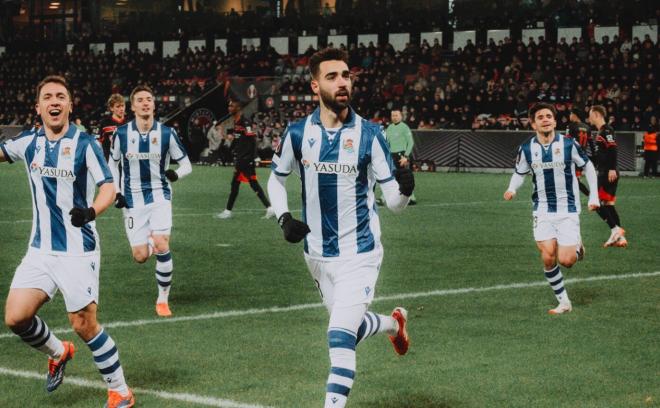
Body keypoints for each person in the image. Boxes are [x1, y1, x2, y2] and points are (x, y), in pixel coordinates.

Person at [267, 48, 415, 408]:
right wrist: (284, 217)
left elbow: (393, 203)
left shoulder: (371, 135)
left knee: (338, 336)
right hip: (316, 255)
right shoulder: (298, 133)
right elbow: (276, 179)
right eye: (332, 76)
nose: (342, 82)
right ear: (315, 85)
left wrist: (407, 189)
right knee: (351, 327)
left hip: (360, 253)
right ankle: (394, 325)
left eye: (346, 75)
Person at [0, 75, 134, 407]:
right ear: (39, 107)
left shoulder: (85, 143)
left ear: (70, 105)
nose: (55, 102)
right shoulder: (29, 143)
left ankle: (120, 391)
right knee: (16, 317)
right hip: (40, 250)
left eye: (61, 96)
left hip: (78, 250)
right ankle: (59, 353)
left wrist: (90, 212)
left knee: (83, 324)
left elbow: (108, 187)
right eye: (48, 97)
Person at [504, 102, 599, 315]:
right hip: (543, 209)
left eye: (549, 116)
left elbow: (588, 166)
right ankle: (564, 302)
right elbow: (519, 173)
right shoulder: (527, 148)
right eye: (540, 117)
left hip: (568, 209)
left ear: (555, 121)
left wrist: (594, 196)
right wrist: (512, 188)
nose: (545, 119)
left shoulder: (568, 144)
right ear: (533, 124)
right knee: (548, 256)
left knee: (566, 261)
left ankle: (576, 246)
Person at [109, 85, 192, 317]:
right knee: (141, 256)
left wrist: (176, 174)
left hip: (160, 196)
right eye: (140, 100)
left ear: (154, 105)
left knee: (161, 243)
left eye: (149, 99)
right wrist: (116, 192)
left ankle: (162, 300)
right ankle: (150, 237)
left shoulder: (167, 134)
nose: (145, 103)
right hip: (132, 201)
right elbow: (112, 165)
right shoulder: (121, 134)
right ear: (133, 106)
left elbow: (186, 164)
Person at [215, 100, 274, 219]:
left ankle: (228, 211)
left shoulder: (245, 122)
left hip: (246, 159)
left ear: (239, 107)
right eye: (229, 105)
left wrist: (253, 157)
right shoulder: (236, 122)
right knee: (250, 184)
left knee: (238, 184)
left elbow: (252, 140)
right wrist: (231, 150)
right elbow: (237, 139)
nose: (229, 107)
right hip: (242, 158)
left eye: (232, 105)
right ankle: (269, 208)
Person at [588, 105, 627, 248]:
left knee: (596, 203)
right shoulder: (600, 132)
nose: (589, 117)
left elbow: (613, 148)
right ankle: (620, 237)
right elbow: (601, 156)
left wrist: (611, 169)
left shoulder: (607, 130)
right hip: (604, 171)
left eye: (590, 114)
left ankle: (614, 230)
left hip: (607, 172)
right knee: (608, 205)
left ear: (597, 114)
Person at [384, 108, 417, 204]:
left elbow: (410, 142)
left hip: (402, 155)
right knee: (392, 176)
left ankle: (412, 197)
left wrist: (406, 156)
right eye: (392, 115)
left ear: (401, 116)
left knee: (405, 177)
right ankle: (386, 197)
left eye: (396, 115)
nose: (394, 117)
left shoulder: (404, 127)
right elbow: (387, 143)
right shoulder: (389, 128)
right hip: (392, 155)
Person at [566, 108, 593, 195]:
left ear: (574, 115)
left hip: (572, 156)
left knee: (572, 179)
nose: (569, 116)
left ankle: (590, 195)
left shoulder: (570, 126)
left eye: (570, 114)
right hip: (582, 156)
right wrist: (594, 156)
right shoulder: (587, 127)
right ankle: (590, 195)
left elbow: (567, 142)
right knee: (575, 178)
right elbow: (591, 144)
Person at [98, 93, 127, 162]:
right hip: (110, 161)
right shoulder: (105, 123)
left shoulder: (129, 123)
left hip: (126, 162)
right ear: (111, 108)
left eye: (122, 106)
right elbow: (100, 144)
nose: (121, 109)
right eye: (118, 106)